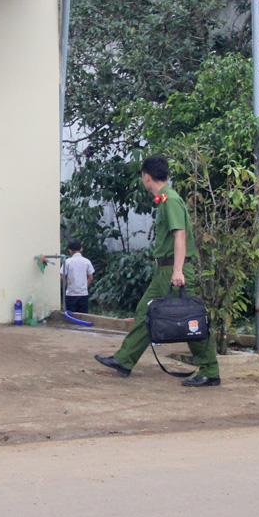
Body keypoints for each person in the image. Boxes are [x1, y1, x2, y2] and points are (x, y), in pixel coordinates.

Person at [94, 155, 220, 387]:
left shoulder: (170, 201)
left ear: (146, 176)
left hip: (174, 270)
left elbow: (179, 236)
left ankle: (210, 370)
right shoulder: (165, 200)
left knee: (189, 319)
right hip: (164, 271)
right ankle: (124, 360)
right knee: (145, 313)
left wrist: (178, 271)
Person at [60, 239, 94, 314]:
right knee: (83, 317)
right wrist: (85, 286)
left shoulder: (68, 262)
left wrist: (67, 285)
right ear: (81, 249)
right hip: (83, 293)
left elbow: (62, 275)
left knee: (72, 317)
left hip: (71, 294)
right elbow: (91, 277)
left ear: (70, 250)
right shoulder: (87, 261)